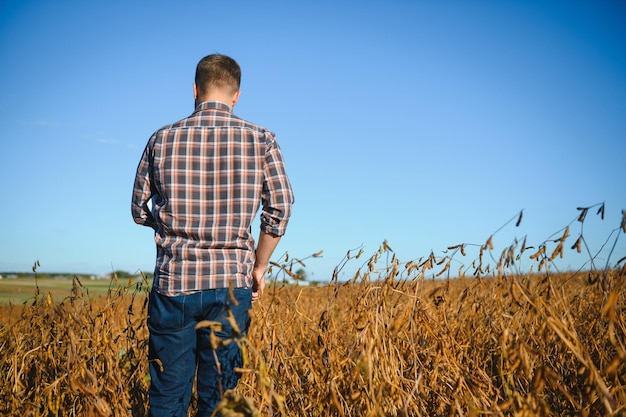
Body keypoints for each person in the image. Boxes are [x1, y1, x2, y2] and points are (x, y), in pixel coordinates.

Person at [131, 53, 294, 417]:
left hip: (174, 284)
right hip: (231, 285)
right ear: (236, 95)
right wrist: (260, 265)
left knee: (167, 394)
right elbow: (280, 206)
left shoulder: (161, 139)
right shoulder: (261, 139)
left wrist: (171, 230)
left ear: (194, 89)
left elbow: (138, 209)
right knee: (219, 396)